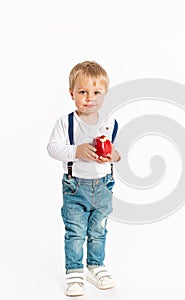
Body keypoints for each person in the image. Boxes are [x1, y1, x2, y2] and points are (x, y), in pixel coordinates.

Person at [47, 61, 120, 297]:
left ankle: (95, 266)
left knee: (99, 230)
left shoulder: (110, 123)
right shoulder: (66, 123)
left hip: (103, 185)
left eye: (96, 92)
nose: (90, 98)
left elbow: (119, 151)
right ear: (72, 94)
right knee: (76, 231)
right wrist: (76, 151)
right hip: (75, 185)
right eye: (83, 92)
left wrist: (113, 155)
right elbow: (52, 148)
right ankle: (74, 271)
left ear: (105, 94)